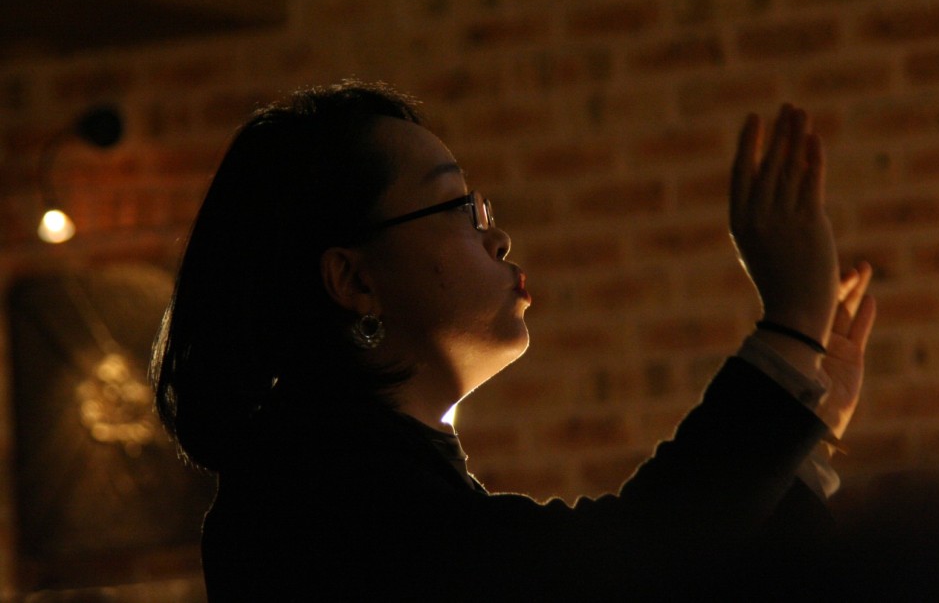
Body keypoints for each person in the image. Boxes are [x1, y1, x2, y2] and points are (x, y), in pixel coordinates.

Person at [151, 81, 876, 600]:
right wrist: (789, 331)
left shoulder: (360, 481)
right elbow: (633, 561)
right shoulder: (315, 507)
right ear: (354, 279)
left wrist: (803, 428)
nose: (496, 237)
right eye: (457, 207)